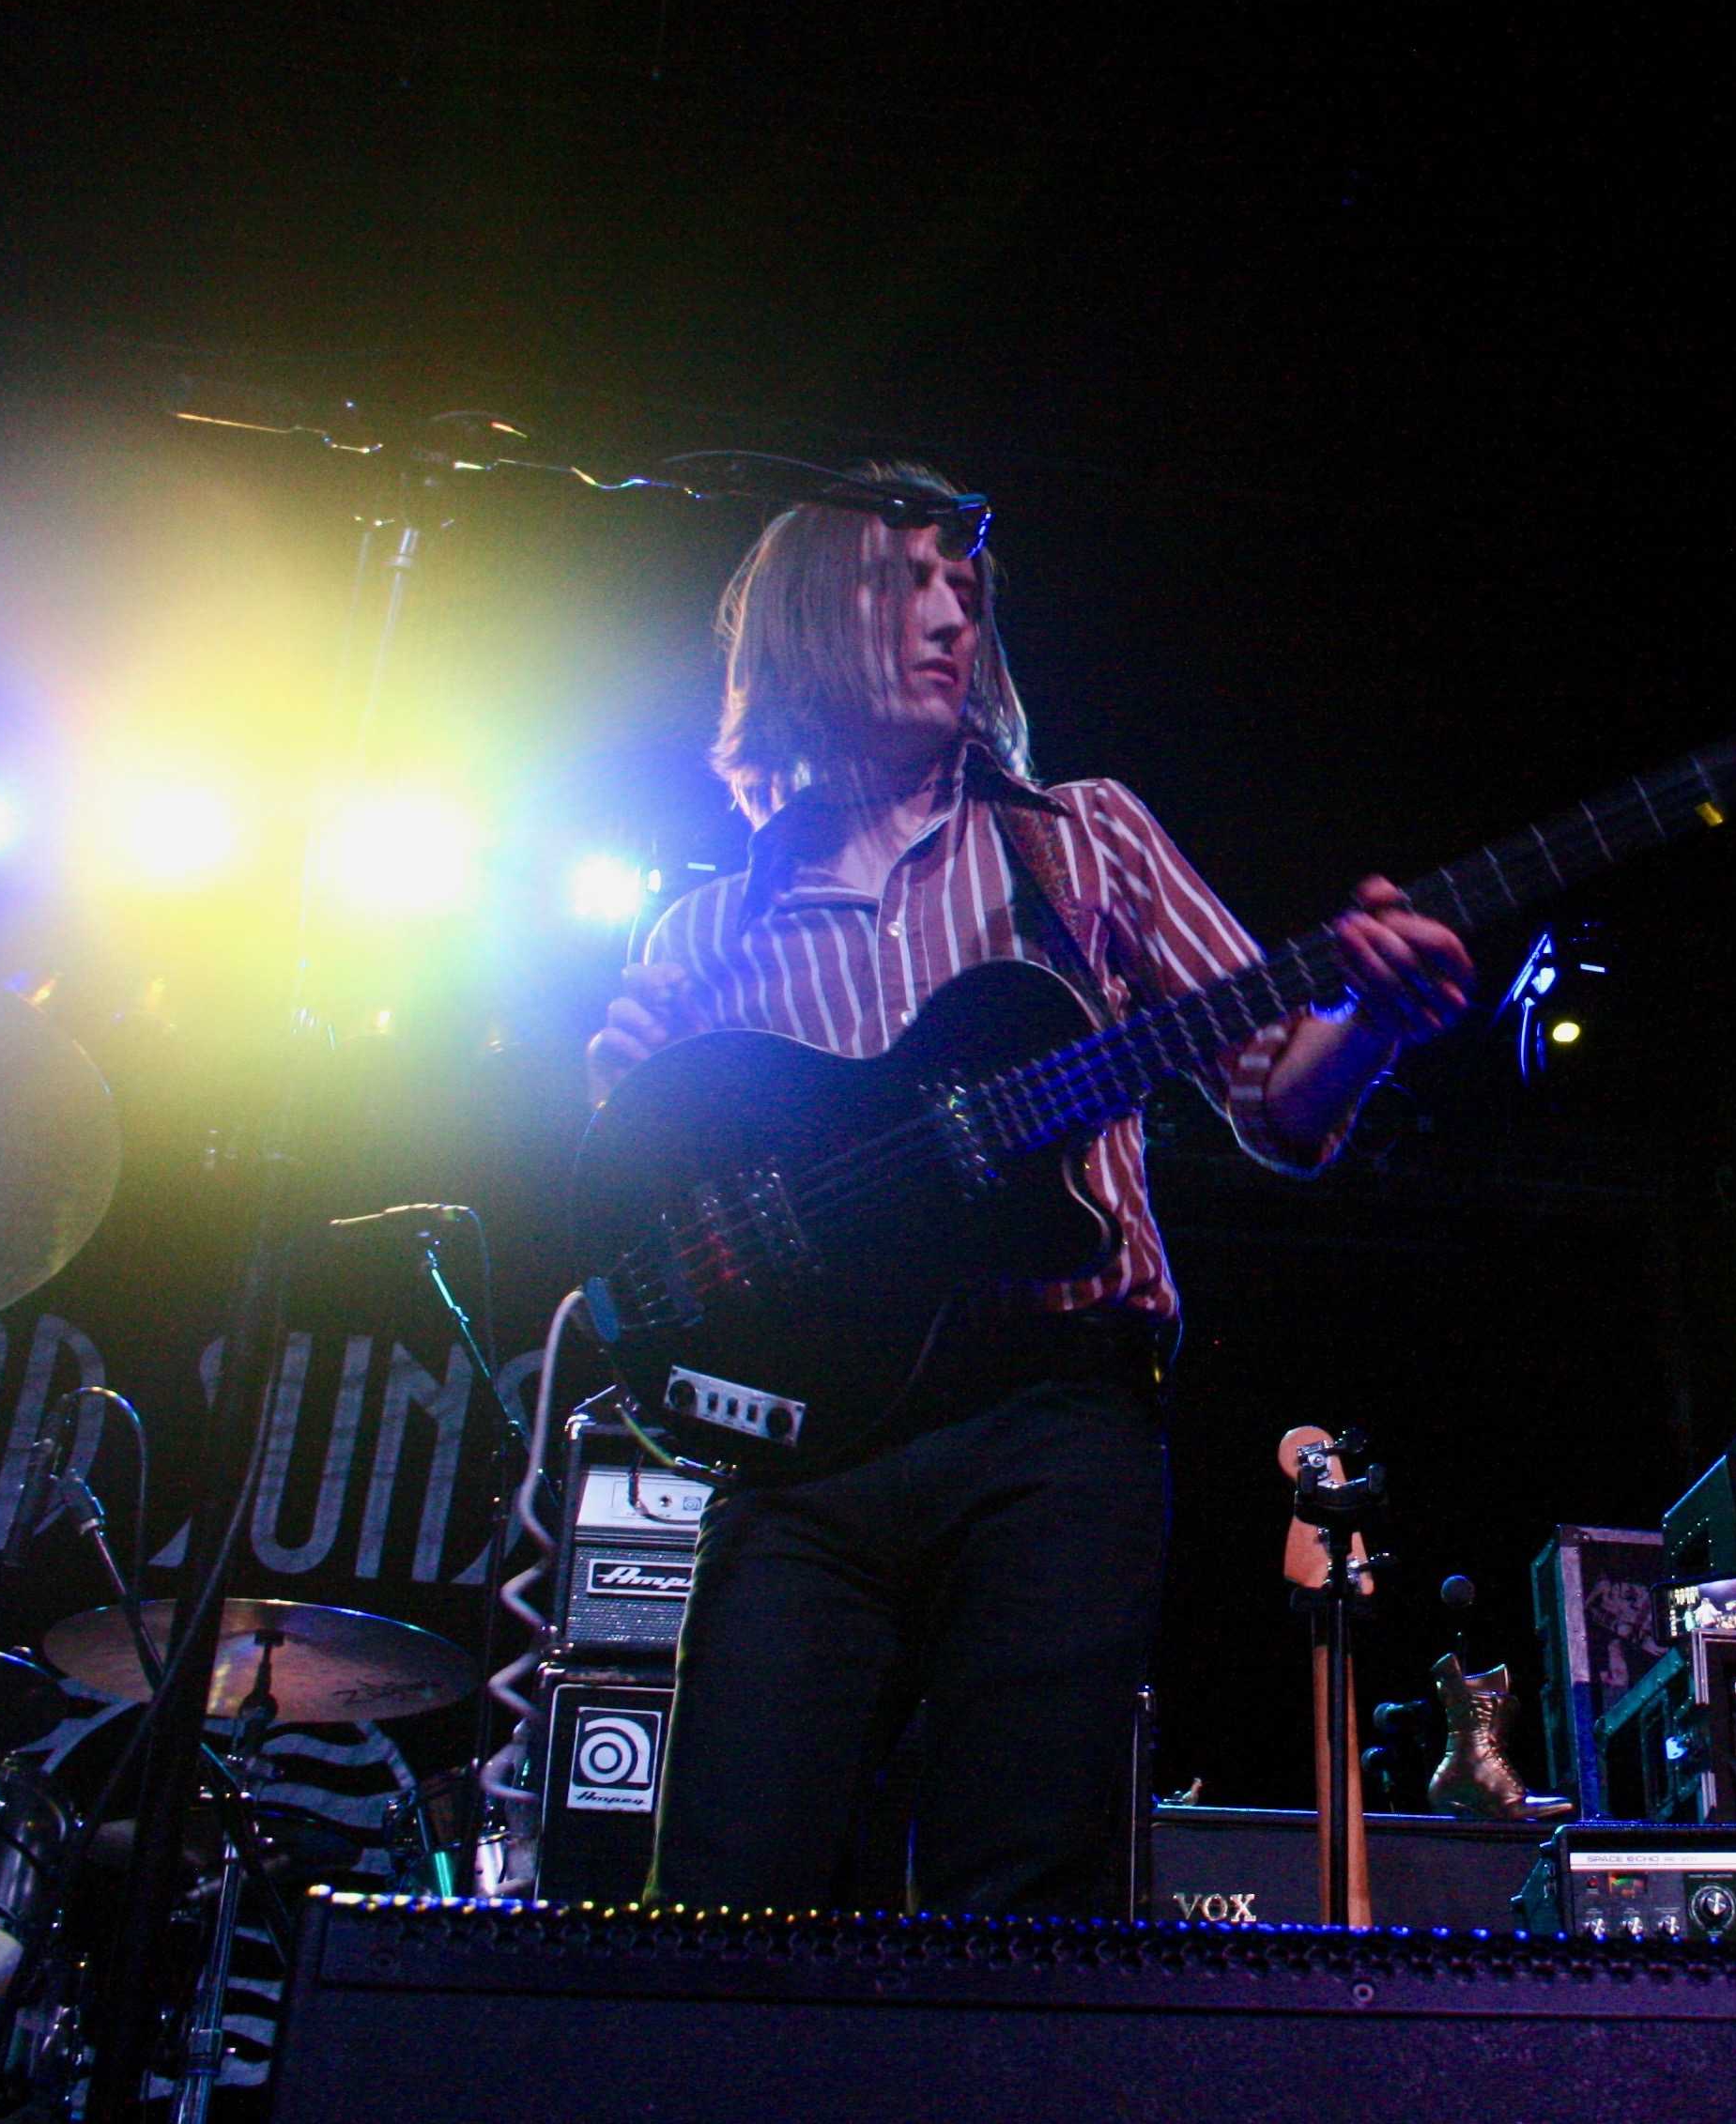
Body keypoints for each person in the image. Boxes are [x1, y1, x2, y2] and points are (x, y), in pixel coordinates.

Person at [580, 466, 1473, 1914]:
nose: (953, 616)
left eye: (966, 590)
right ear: (812, 617)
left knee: (1021, 1894)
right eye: (908, 583)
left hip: (1055, 1424)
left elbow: (1273, 1108)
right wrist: (622, 1115)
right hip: (802, 1464)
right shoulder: (702, 935)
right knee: (722, 1904)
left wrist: (1367, 1018)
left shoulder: (1082, 839)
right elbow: (645, 1238)